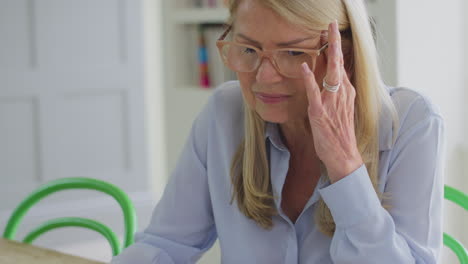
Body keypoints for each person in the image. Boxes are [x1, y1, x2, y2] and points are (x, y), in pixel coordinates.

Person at [112, 0, 445, 263]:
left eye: (293, 53)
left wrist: (345, 167)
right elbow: (166, 244)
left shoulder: (413, 123)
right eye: (248, 49)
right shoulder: (224, 113)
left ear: (346, 54)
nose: (264, 77)